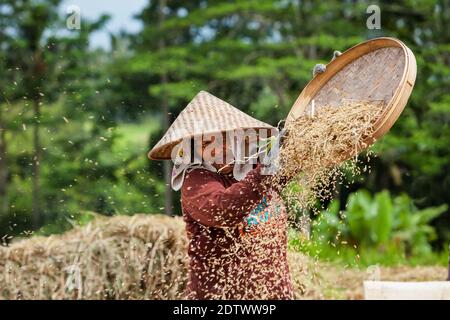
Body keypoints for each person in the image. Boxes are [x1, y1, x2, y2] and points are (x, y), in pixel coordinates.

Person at [149, 91, 292, 299]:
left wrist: (321, 100)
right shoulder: (196, 181)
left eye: (223, 138)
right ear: (194, 150)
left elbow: (304, 159)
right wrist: (265, 171)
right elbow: (224, 210)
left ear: (238, 137)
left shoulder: (256, 168)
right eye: (206, 144)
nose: (219, 149)